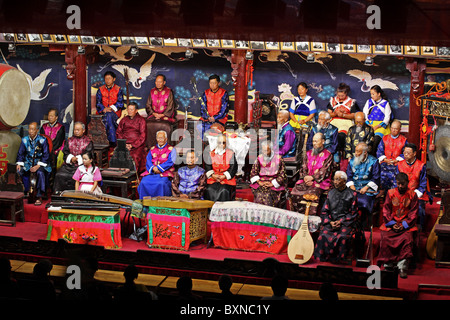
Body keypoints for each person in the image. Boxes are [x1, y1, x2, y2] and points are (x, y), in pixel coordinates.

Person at [377, 173, 418, 279]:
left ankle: (402, 267)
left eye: (403, 184)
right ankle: (388, 265)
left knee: (407, 239)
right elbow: (386, 210)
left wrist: (404, 225)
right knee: (386, 237)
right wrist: (393, 224)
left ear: (407, 183)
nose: (400, 186)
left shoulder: (412, 195)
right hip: (392, 223)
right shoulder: (390, 193)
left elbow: (413, 213)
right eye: (398, 184)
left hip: (406, 224)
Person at [314, 171, 359, 264]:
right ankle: (324, 258)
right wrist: (330, 222)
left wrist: (341, 221)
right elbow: (324, 211)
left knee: (342, 237)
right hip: (331, 221)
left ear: (344, 181)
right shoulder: (330, 193)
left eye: (338, 179)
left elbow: (353, 213)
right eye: (334, 179)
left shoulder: (352, 194)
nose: (335, 181)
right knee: (323, 235)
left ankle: (341, 260)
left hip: (345, 223)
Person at [290, 133, 333, 215]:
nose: (314, 143)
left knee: (313, 194)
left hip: (319, 181)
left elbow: (325, 171)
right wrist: (306, 177)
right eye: (313, 141)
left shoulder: (328, 155)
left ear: (323, 141)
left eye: (316, 141)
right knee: (295, 191)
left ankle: (310, 220)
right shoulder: (308, 153)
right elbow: (303, 167)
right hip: (306, 180)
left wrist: (313, 178)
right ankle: (297, 217)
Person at [16, 122, 51, 206]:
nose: (30, 131)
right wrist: (19, 164)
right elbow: (20, 154)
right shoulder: (24, 140)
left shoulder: (42, 140)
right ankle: (27, 191)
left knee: (40, 173)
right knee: (19, 171)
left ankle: (39, 195)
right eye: (29, 129)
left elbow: (46, 155)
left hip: (40, 163)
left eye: (33, 129)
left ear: (37, 130)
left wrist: (38, 166)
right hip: (28, 162)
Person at [395, 143, 428, 231]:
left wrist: (415, 194)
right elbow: (396, 181)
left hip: (415, 194)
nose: (406, 155)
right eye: (404, 153)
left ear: (414, 153)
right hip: (401, 193)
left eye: (408, 153)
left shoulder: (421, 166)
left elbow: (423, 183)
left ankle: (418, 228)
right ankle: (397, 226)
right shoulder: (399, 164)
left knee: (420, 209)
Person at [53, 122, 93, 193]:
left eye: (78, 130)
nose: (76, 131)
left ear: (83, 130)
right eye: (75, 130)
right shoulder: (69, 140)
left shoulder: (88, 142)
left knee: (76, 176)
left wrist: (77, 159)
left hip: (82, 166)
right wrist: (71, 158)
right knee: (59, 175)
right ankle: (59, 194)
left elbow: (88, 154)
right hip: (68, 165)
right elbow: (65, 152)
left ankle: (76, 195)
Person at [346, 142, 380, 221]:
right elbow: (349, 176)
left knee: (363, 202)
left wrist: (366, 187)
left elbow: (376, 178)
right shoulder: (352, 161)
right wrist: (352, 186)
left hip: (367, 190)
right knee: (346, 201)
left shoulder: (373, 161)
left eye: (358, 151)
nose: (356, 154)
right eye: (356, 151)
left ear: (365, 152)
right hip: (354, 188)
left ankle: (362, 224)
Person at [138, 130, 176, 199]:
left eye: (162, 138)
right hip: (152, 172)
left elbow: (170, 162)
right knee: (143, 182)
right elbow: (148, 161)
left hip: (165, 172)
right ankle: (145, 205)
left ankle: (160, 205)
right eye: (158, 138)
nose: (160, 140)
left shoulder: (171, 149)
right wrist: (153, 168)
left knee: (161, 184)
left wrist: (159, 168)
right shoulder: (152, 149)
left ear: (166, 139)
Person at [250, 140, 287, 208]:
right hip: (261, 183)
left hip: (273, 183)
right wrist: (259, 182)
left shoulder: (278, 159)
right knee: (259, 194)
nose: (264, 153)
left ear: (271, 149)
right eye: (263, 150)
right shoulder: (259, 158)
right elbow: (253, 172)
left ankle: (269, 217)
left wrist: (272, 184)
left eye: (266, 151)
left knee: (268, 195)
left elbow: (282, 175)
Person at [327, 82, 360, 160]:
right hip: (334, 120)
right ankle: (334, 152)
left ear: (346, 93)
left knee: (341, 135)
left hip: (346, 121)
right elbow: (329, 114)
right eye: (339, 95)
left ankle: (341, 151)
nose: (340, 97)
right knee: (331, 134)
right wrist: (336, 113)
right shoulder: (333, 100)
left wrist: (344, 115)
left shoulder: (351, 102)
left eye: (342, 95)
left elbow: (353, 115)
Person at [145, 74, 177, 149]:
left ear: (164, 82)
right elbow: (148, 105)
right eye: (156, 82)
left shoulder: (169, 91)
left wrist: (162, 115)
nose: (158, 83)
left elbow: (170, 106)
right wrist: (154, 113)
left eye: (160, 82)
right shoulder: (152, 91)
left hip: (165, 116)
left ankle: (166, 148)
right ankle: (150, 147)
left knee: (166, 126)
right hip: (153, 115)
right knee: (147, 124)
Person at [204, 133, 238, 202]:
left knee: (224, 191)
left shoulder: (230, 153)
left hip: (226, 180)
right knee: (209, 190)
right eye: (219, 143)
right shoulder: (211, 153)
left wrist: (224, 176)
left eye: (224, 143)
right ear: (217, 143)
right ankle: (210, 210)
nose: (221, 145)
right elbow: (207, 166)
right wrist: (213, 175)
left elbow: (233, 167)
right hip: (213, 178)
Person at [376, 119, 407, 192]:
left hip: (397, 164)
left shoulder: (404, 140)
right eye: (392, 128)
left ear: (400, 129)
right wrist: (385, 159)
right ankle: (381, 192)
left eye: (396, 129)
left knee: (397, 175)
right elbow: (379, 151)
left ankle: (393, 193)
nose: (393, 130)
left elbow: (405, 153)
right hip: (385, 162)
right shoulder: (384, 138)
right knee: (379, 172)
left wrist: (396, 160)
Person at [96, 71, 124, 147]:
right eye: (106, 78)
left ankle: (108, 141)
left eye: (109, 78)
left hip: (115, 113)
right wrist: (104, 109)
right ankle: (112, 141)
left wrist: (111, 108)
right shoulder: (100, 89)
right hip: (103, 112)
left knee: (109, 116)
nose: (107, 80)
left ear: (114, 79)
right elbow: (98, 103)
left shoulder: (118, 89)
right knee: (107, 116)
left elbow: (120, 103)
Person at [116, 102, 147, 173]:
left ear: (136, 111)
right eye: (128, 109)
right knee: (118, 155)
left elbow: (143, 136)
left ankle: (132, 176)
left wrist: (132, 145)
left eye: (131, 109)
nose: (129, 111)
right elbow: (118, 132)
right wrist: (123, 144)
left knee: (134, 156)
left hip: (137, 145)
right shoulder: (124, 120)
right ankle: (119, 176)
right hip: (124, 144)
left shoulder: (141, 120)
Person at [198, 74, 229, 139]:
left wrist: (215, 117)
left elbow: (224, 109)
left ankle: (214, 147)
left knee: (215, 129)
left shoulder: (223, 93)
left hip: (219, 119)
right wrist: (207, 117)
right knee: (199, 126)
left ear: (218, 83)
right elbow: (202, 107)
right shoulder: (206, 93)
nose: (212, 85)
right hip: (207, 119)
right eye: (211, 83)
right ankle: (202, 145)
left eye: (214, 83)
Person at [363, 85, 392, 156]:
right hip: (369, 124)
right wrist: (368, 124)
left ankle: (373, 156)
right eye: (371, 94)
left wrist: (378, 126)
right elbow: (364, 113)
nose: (371, 96)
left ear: (379, 94)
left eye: (373, 94)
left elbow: (387, 117)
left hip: (380, 127)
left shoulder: (385, 103)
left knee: (376, 139)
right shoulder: (369, 102)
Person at [40, 108, 65, 188]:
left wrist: (50, 149)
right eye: (49, 115)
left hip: (55, 150)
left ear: (56, 117)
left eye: (52, 116)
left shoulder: (60, 128)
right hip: (44, 150)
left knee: (52, 159)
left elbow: (59, 142)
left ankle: (52, 184)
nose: (50, 117)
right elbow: (41, 139)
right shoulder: (44, 127)